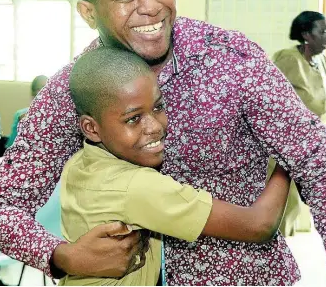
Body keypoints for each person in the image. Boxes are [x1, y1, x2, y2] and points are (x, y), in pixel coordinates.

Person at [0, 0, 326, 286]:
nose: (151, 7)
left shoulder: (229, 58)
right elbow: (1, 209)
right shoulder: (77, 89)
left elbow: (317, 162)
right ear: (88, 12)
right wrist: (63, 256)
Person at [60, 46, 291, 286]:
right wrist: (287, 160)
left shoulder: (79, 163)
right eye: (133, 118)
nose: (155, 127)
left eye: (158, 107)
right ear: (91, 128)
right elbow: (259, 225)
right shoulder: (138, 187)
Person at [269, 11, 326, 236]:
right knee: (284, 204)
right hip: (286, 144)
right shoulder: (288, 59)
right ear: (306, 34)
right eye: (323, 32)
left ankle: (280, 254)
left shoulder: (320, 61)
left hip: (313, 145)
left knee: (298, 205)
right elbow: (267, 98)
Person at [6, 75, 48, 148]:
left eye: (47, 88)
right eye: (39, 88)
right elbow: (11, 146)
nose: (43, 91)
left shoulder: (59, 116)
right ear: (33, 93)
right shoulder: (21, 115)